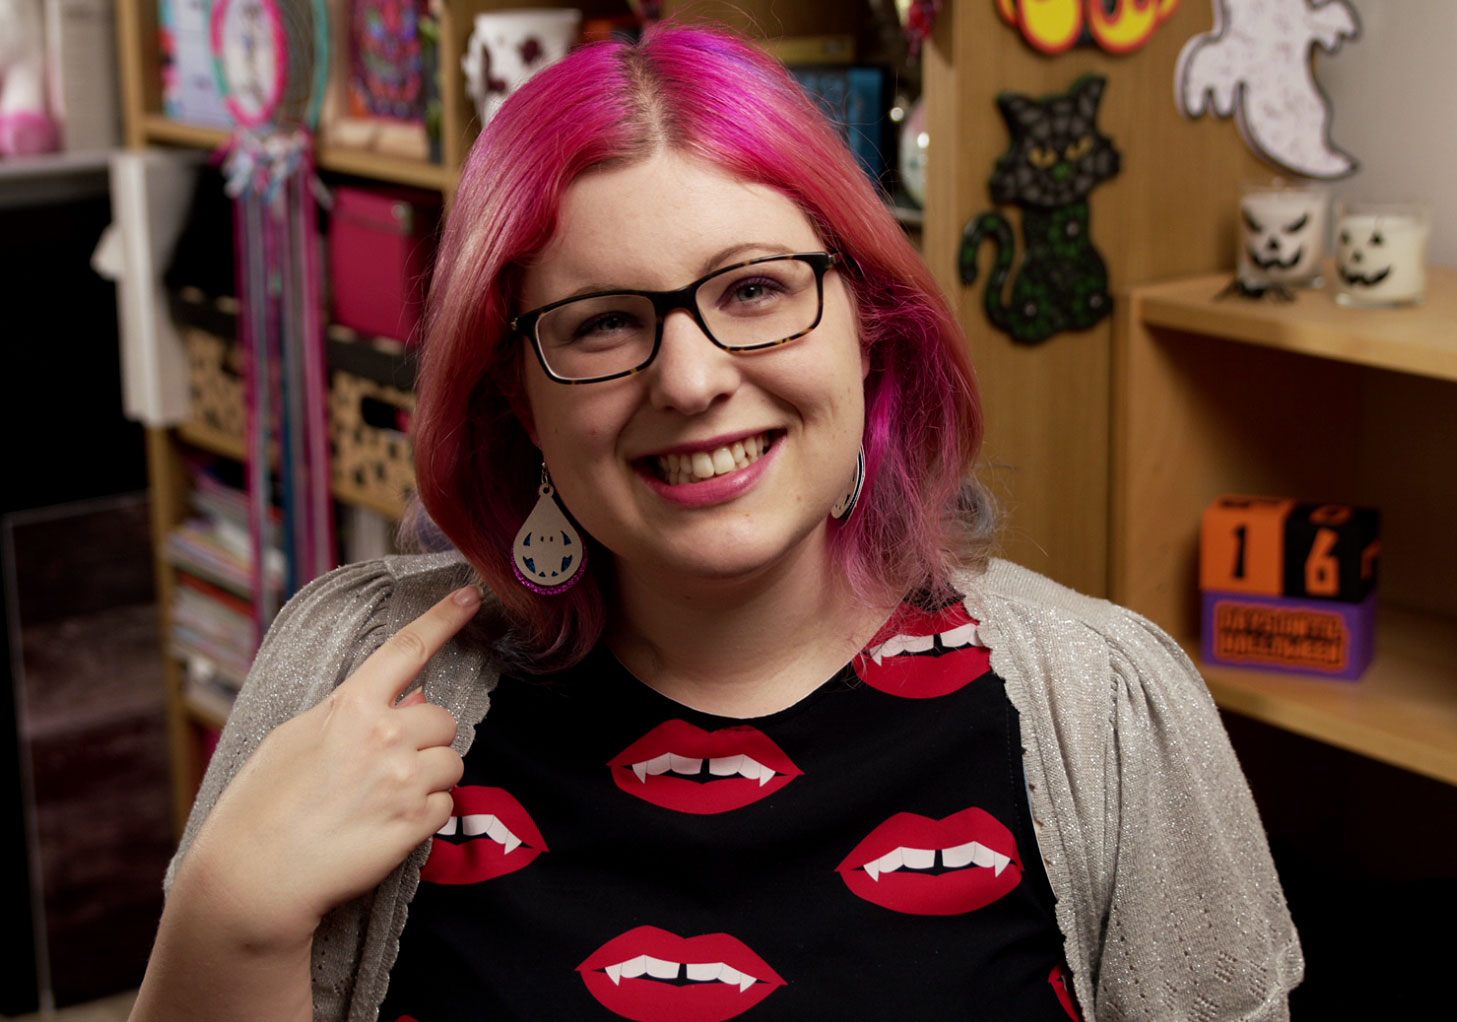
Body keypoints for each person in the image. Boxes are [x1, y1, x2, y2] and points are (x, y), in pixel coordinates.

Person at [130, 22, 1302, 1022]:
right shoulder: (351, 679)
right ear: (514, 398)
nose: (688, 381)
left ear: (871, 324)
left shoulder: (1103, 707)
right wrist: (227, 915)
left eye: (752, 289)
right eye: (599, 323)